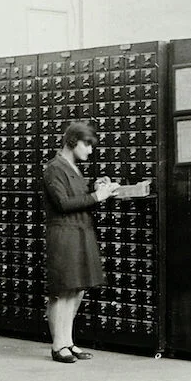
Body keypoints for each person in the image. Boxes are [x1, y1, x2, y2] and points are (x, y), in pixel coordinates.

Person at [42, 121, 119, 362]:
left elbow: (78, 197)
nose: (90, 150)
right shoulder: (54, 168)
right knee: (64, 291)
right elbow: (63, 203)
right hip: (64, 234)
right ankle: (58, 346)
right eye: (87, 144)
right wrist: (97, 196)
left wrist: (96, 188)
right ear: (73, 142)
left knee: (76, 290)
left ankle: (68, 342)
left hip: (79, 232)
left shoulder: (72, 167)